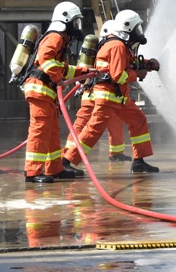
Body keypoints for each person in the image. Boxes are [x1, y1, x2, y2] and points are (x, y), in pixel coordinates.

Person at [68, 9, 161, 174]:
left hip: (118, 97)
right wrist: (137, 74)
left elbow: (129, 62)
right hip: (108, 96)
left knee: (139, 120)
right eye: (137, 29)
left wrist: (147, 64)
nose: (138, 33)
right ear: (128, 27)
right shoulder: (117, 45)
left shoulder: (120, 44)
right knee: (93, 129)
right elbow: (118, 75)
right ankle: (67, 160)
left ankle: (139, 161)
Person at [23, 1, 91, 184]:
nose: (77, 27)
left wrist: (81, 72)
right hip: (39, 90)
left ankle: (54, 168)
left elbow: (61, 67)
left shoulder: (61, 39)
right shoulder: (55, 37)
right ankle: (32, 172)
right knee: (40, 131)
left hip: (46, 92)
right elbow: (46, 59)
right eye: (75, 22)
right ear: (66, 20)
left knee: (52, 132)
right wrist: (57, 76)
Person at [62, 20, 132, 171]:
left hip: (96, 93)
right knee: (86, 125)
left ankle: (116, 152)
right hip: (94, 92)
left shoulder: (100, 48)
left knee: (112, 121)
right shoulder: (109, 48)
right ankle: (68, 155)